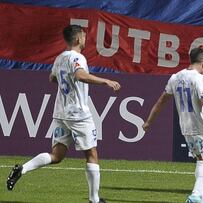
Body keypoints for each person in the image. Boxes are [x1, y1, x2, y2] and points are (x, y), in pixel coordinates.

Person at [6, 25, 121, 203]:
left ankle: (22, 169)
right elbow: (81, 75)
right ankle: (94, 200)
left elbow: (52, 78)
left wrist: (64, 79)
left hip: (61, 113)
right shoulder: (78, 57)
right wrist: (105, 80)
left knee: (56, 155)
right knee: (91, 153)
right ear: (77, 39)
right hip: (78, 114)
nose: (85, 38)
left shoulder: (60, 58)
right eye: (83, 35)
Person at [142, 47, 203, 203]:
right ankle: (196, 195)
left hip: (185, 126)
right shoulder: (200, 79)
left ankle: (202, 196)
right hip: (200, 125)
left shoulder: (175, 77)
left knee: (201, 159)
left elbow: (161, 101)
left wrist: (149, 121)